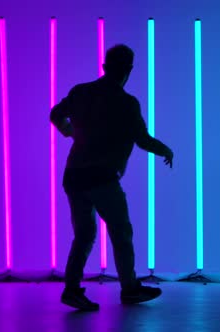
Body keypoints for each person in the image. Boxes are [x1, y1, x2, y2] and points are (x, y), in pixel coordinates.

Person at [50, 44, 174, 311]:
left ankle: (72, 290)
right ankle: (129, 289)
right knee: (120, 232)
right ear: (128, 70)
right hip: (102, 176)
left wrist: (70, 131)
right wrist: (165, 149)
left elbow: (55, 114)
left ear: (105, 67)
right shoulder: (126, 103)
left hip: (74, 175)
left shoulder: (81, 92)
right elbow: (142, 140)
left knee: (84, 236)